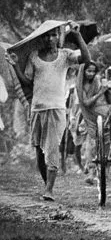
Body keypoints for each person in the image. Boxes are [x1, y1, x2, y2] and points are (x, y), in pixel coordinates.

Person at [17, 22, 89, 200]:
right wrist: (13, 65)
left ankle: (49, 190)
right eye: (46, 36)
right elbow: (27, 81)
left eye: (53, 35)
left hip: (56, 108)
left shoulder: (65, 56)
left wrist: (78, 36)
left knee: (52, 148)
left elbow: (87, 59)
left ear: (58, 37)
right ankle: (47, 186)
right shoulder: (34, 56)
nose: (50, 39)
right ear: (41, 38)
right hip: (37, 108)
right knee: (39, 151)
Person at [75, 60, 111, 185]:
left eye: (93, 71)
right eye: (88, 71)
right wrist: (100, 93)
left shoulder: (98, 80)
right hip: (91, 116)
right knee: (91, 143)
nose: (91, 73)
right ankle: (91, 172)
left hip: (104, 113)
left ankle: (103, 169)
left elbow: (107, 96)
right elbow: (86, 103)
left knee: (106, 141)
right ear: (84, 71)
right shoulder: (80, 85)